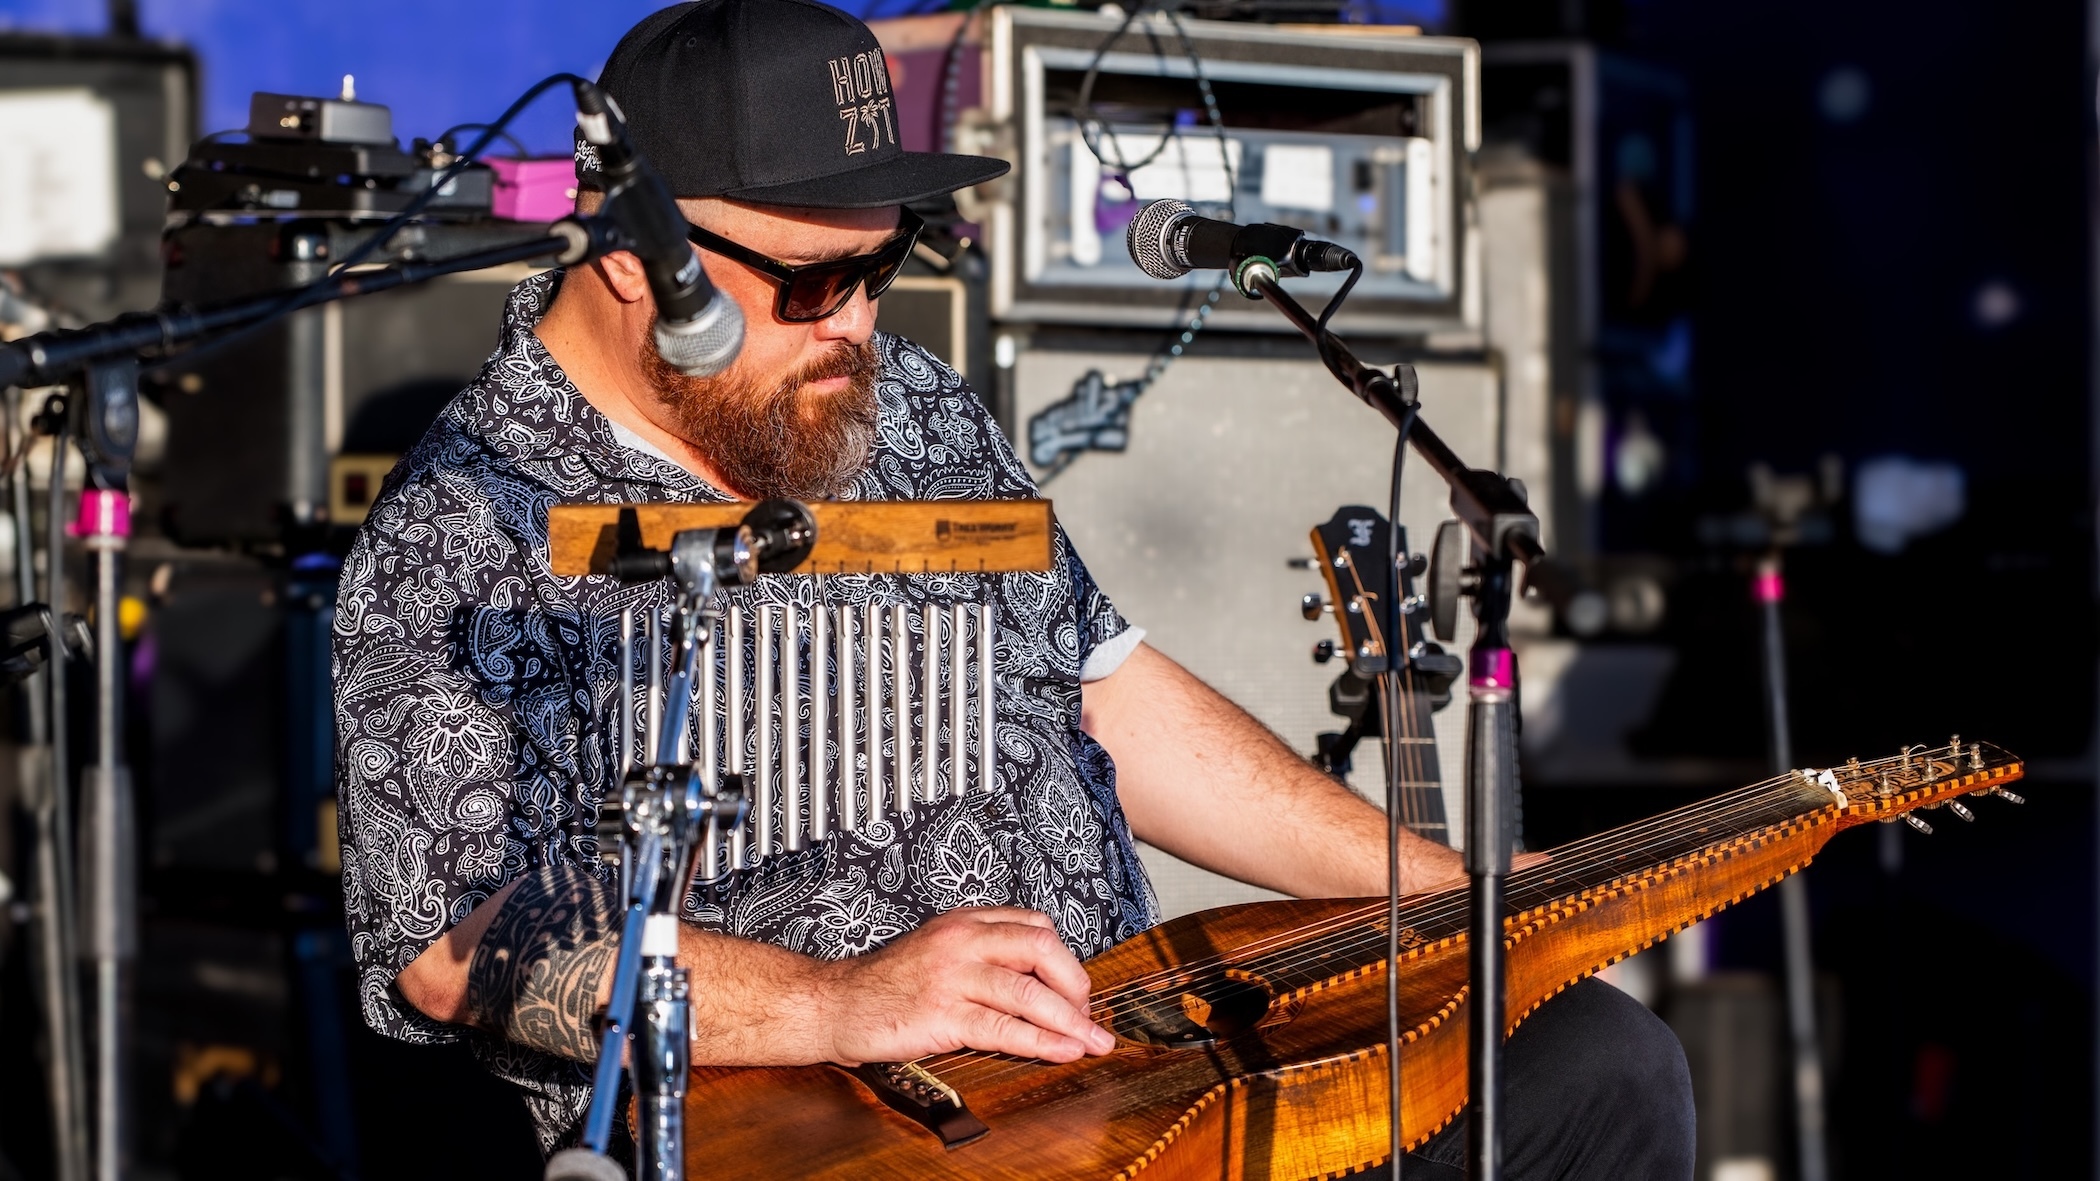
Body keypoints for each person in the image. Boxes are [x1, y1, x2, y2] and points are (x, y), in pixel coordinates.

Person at [332, 1, 1695, 1175]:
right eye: (814, 282)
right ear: (635, 255)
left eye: (886, 260)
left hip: (1123, 1065)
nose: (859, 323)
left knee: (1595, 1065)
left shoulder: (903, 403)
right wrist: (842, 1002)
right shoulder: (462, 523)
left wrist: (1447, 889)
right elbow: (449, 944)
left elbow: (1104, 692)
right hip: (852, 1130)